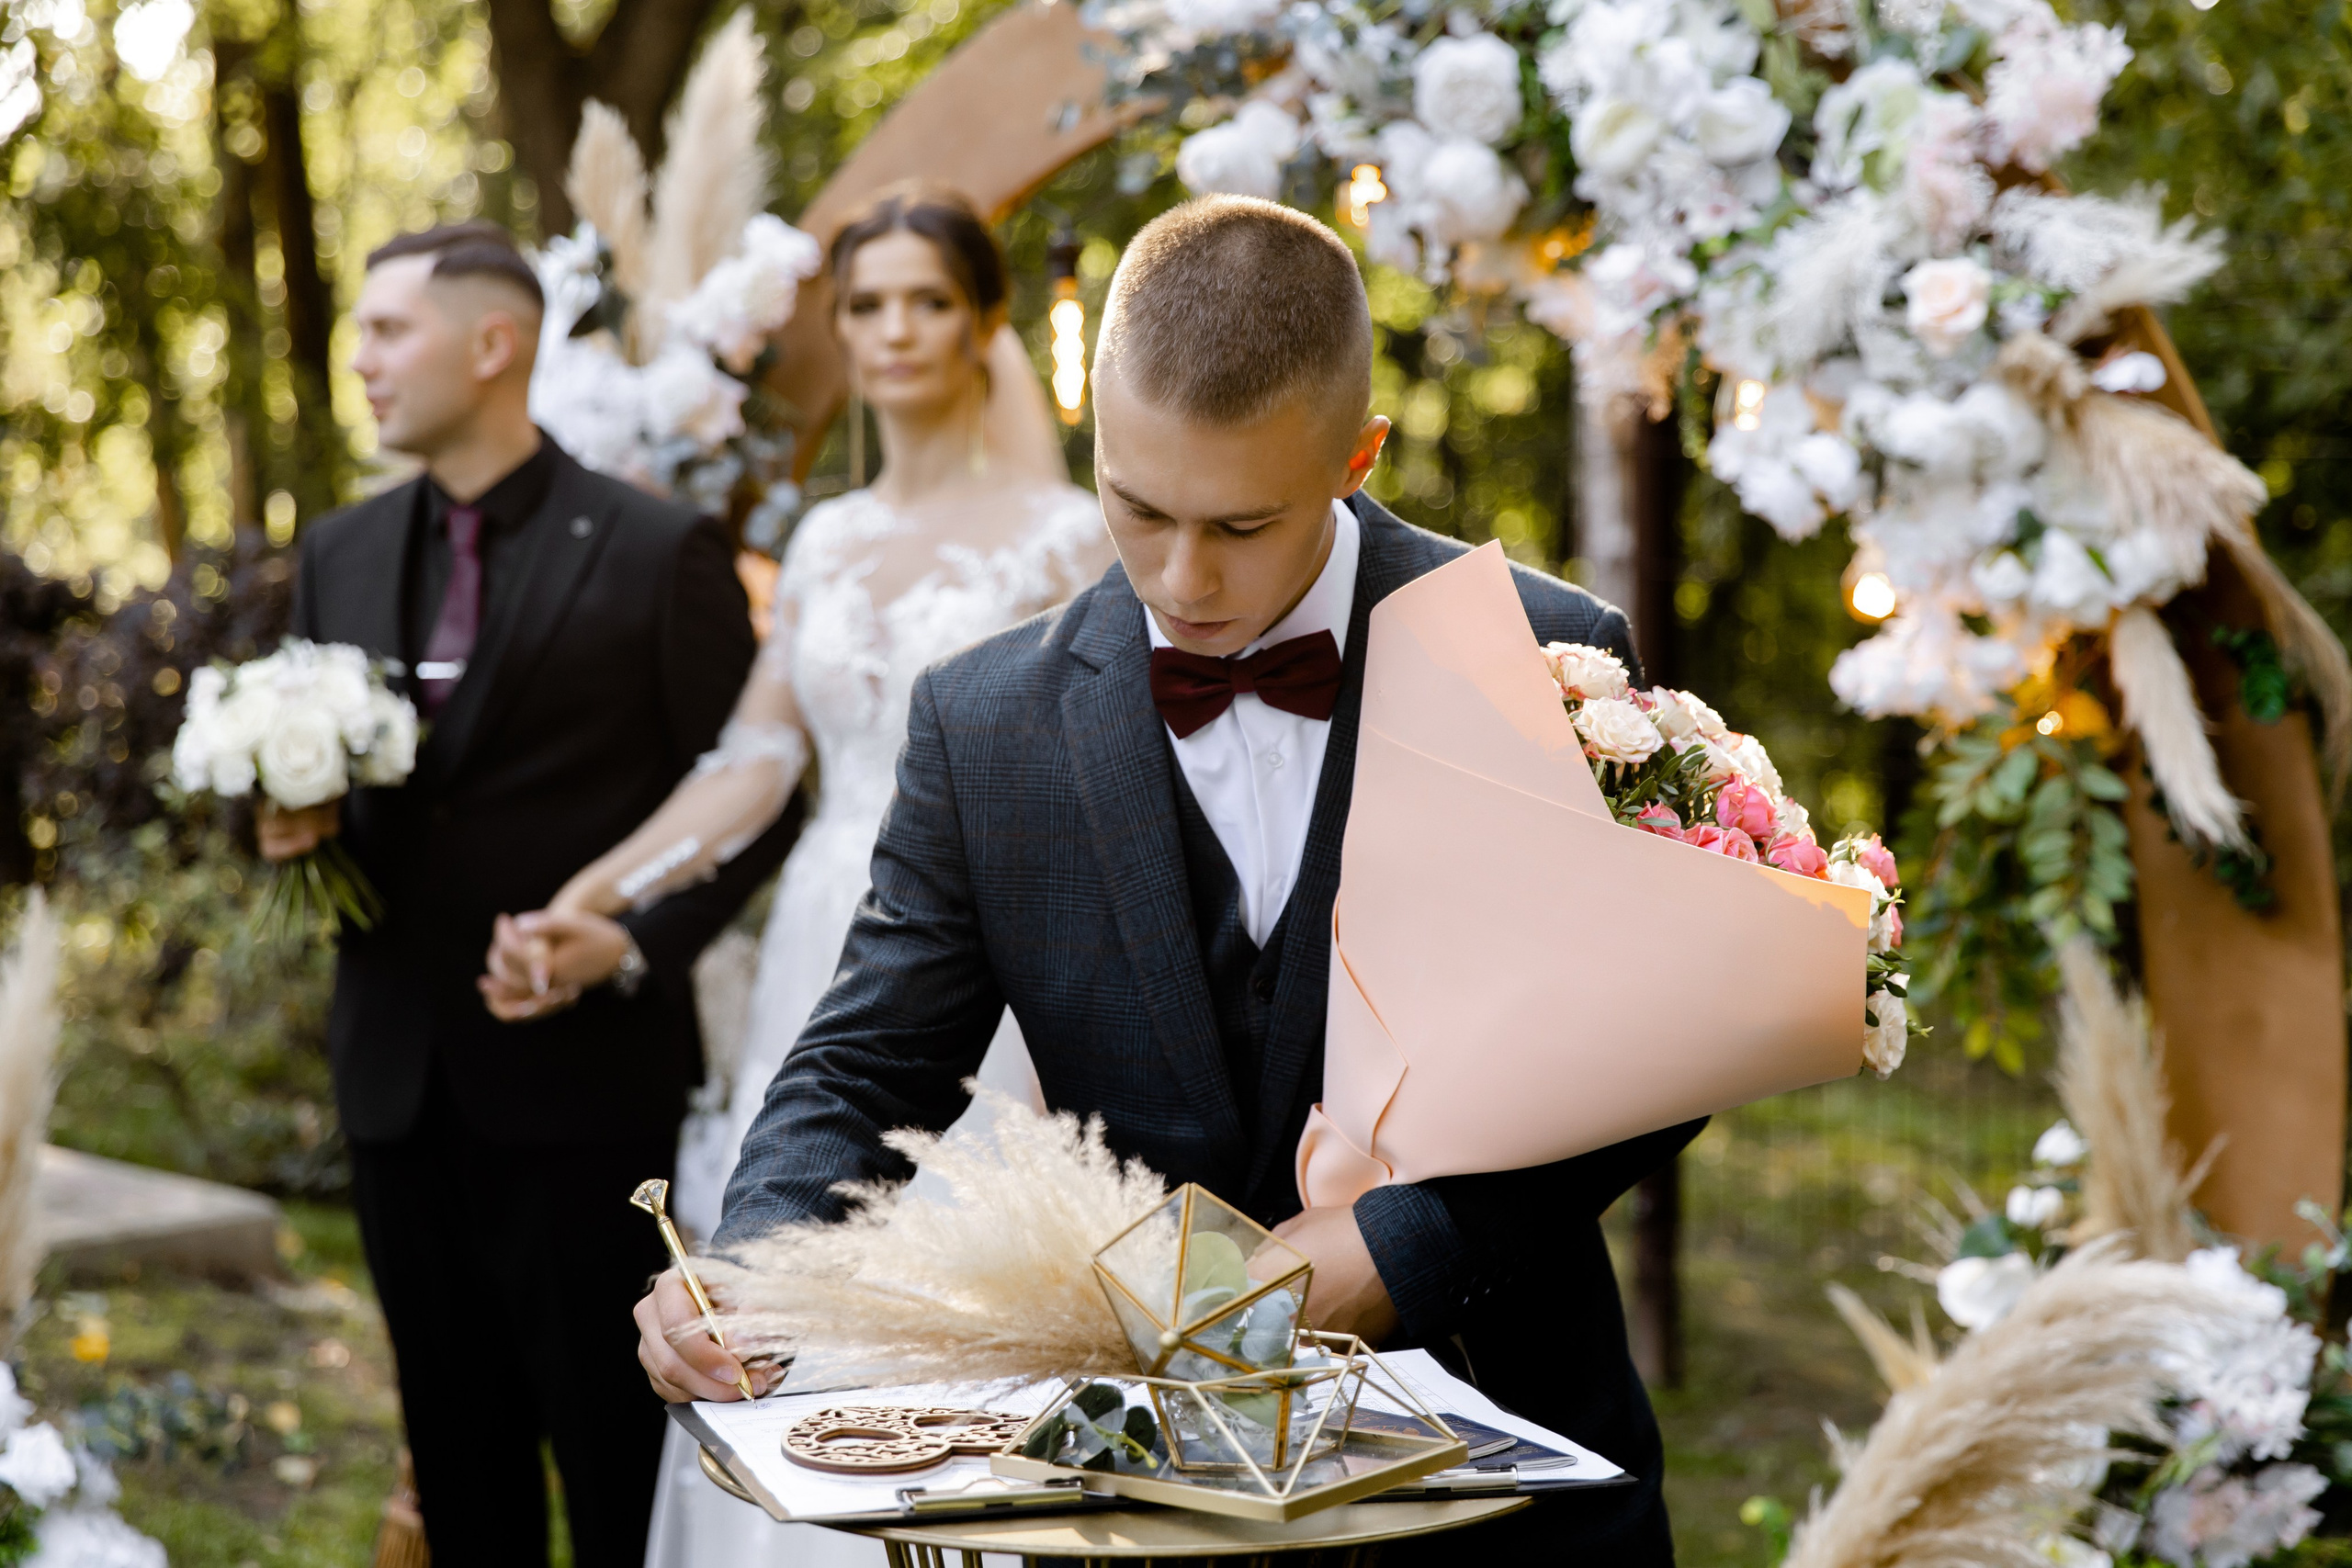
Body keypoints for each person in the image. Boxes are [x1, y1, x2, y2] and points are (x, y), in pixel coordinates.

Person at [635, 195, 1702, 1565]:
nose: (1183, 579)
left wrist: (1408, 1245)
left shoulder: (1544, 656)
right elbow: (866, 1062)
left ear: (1359, 455)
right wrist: (750, 1264)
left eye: (1243, 526)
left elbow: (1659, 1048)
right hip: (1136, 1487)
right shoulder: (984, 721)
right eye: (1136, 509)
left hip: (1505, 1463)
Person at [475, 185, 1114, 1566]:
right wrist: (600, 894)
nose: (897, 330)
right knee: (789, 1261)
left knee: (957, 1282)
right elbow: (755, 762)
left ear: (984, 323)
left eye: (929, 301)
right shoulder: (824, 541)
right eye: (868, 304)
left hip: (995, 966)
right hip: (821, 943)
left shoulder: (1070, 536)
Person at [266, 221, 793, 1568]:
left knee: (618, 1471)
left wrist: (632, 944)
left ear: (493, 344)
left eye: (389, 331)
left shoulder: (658, 550)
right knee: (460, 1473)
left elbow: (753, 802)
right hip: (396, 1083)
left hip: (587, 1098)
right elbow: (300, 780)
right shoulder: (337, 551)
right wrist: (275, 818)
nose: (362, 359)